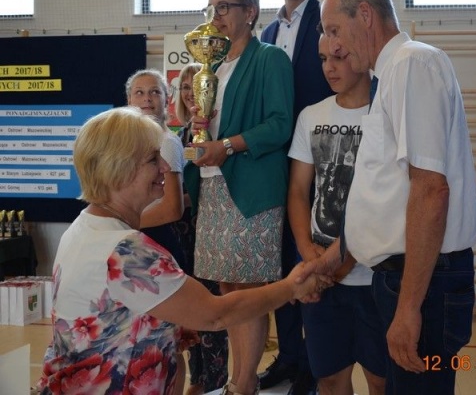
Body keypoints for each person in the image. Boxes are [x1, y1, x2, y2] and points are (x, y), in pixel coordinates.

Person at [35, 107, 329, 395]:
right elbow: (215, 315)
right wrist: (291, 287)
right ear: (119, 169)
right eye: (153, 159)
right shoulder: (125, 250)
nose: (165, 167)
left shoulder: (84, 227)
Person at [317, 0, 476, 394]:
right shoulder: (390, 73)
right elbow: (389, 196)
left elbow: (430, 189)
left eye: (334, 30)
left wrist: (409, 308)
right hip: (404, 277)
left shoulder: (411, 64)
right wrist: (330, 259)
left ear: (365, 14)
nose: (332, 46)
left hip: (421, 280)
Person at [189, 0, 294, 395]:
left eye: (223, 7)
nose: (214, 15)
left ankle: (244, 382)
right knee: (228, 289)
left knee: (248, 288)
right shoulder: (212, 66)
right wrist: (198, 128)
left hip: (251, 189)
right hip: (213, 187)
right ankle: (239, 377)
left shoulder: (269, 58)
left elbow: (280, 124)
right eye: (210, 8)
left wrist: (228, 146)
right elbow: (211, 127)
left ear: (249, 12)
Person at [288, 33, 386, 395]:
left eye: (339, 57)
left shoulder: (384, 114)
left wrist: (339, 262)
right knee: (329, 379)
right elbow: (298, 192)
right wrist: (309, 254)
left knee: (381, 379)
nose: (329, 67)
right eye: (323, 58)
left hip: (374, 276)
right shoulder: (311, 115)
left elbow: (385, 203)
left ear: (361, 55)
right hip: (322, 275)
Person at [260, 0, 333, 393]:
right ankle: (288, 355)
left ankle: (312, 362)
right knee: (279, 263)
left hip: (317, 159)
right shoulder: (267, 32)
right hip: (274, 163)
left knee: (312, 257)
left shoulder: (328, 18)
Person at [174, 63, 229, 395]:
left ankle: (214, 384)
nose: (189, 93)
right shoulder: (178, 136)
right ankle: (196, 379)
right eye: (184, 87)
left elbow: (199, 188)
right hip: (181, 237)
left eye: (196, 87)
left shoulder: (214, 133)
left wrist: (178, 199)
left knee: (210, 311)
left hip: (206, 230)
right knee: (188, 314)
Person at [125, 68, 187, 272]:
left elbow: (172, 208)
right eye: (139, 92)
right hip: (138, 235)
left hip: (159, 238)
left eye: (155, 92)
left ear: (166, 99)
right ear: (129, 100)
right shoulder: (132, 142)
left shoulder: (166, 142)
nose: (147, 98)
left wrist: (122, 221)